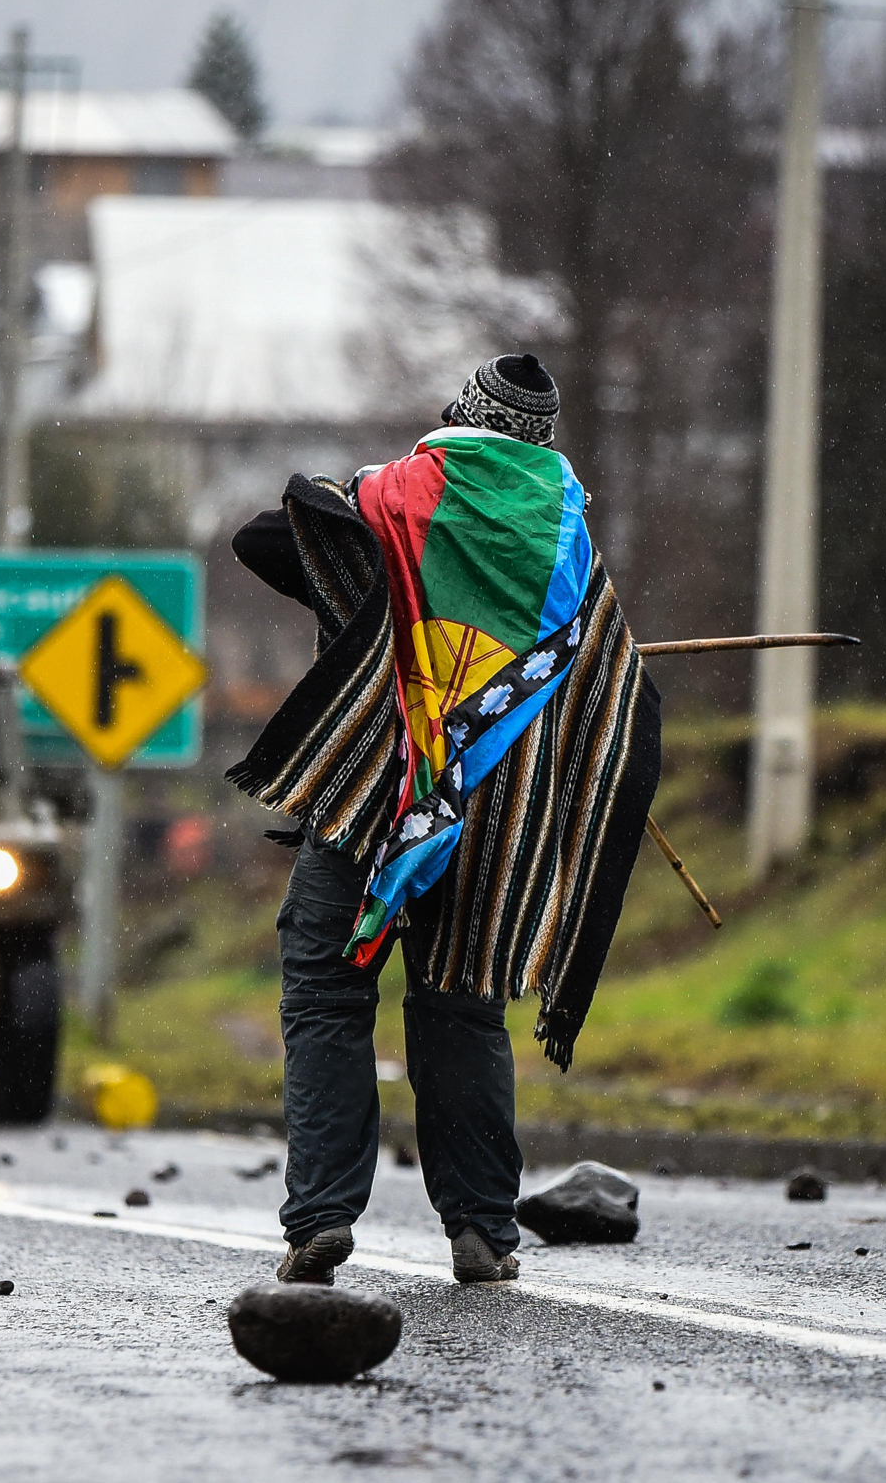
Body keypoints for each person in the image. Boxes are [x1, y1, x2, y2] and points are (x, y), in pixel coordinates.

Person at [227, 354, 663, 1286]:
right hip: (492, 821)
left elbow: (261, 540)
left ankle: (320, 1222)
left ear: (457, 415)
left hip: (373, 800)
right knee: (462, 1010)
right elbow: (603, 686)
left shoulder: (392, 496)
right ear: (541, 443)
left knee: (326, 995)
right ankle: (481, 1232)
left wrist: (362, 601)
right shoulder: (567, 540)